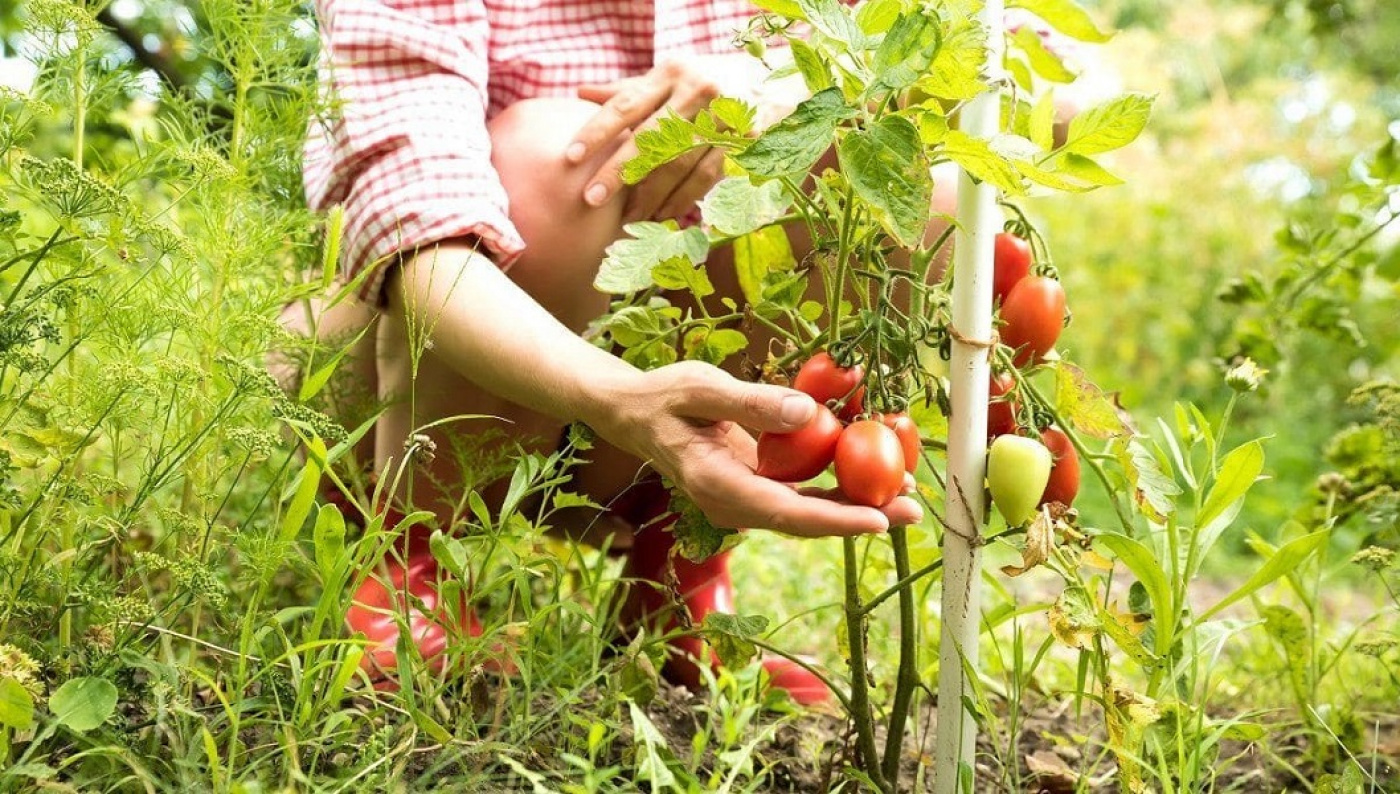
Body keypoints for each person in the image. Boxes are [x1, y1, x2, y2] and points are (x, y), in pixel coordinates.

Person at [289, 0, 926, 703]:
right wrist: (615, 397)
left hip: (651, 434)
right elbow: (419, 234)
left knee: (915, 182)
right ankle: (406, 565)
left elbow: (1036, 78)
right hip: (413, 381)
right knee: (553, 156)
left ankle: (676, 576)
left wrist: (775, 95)